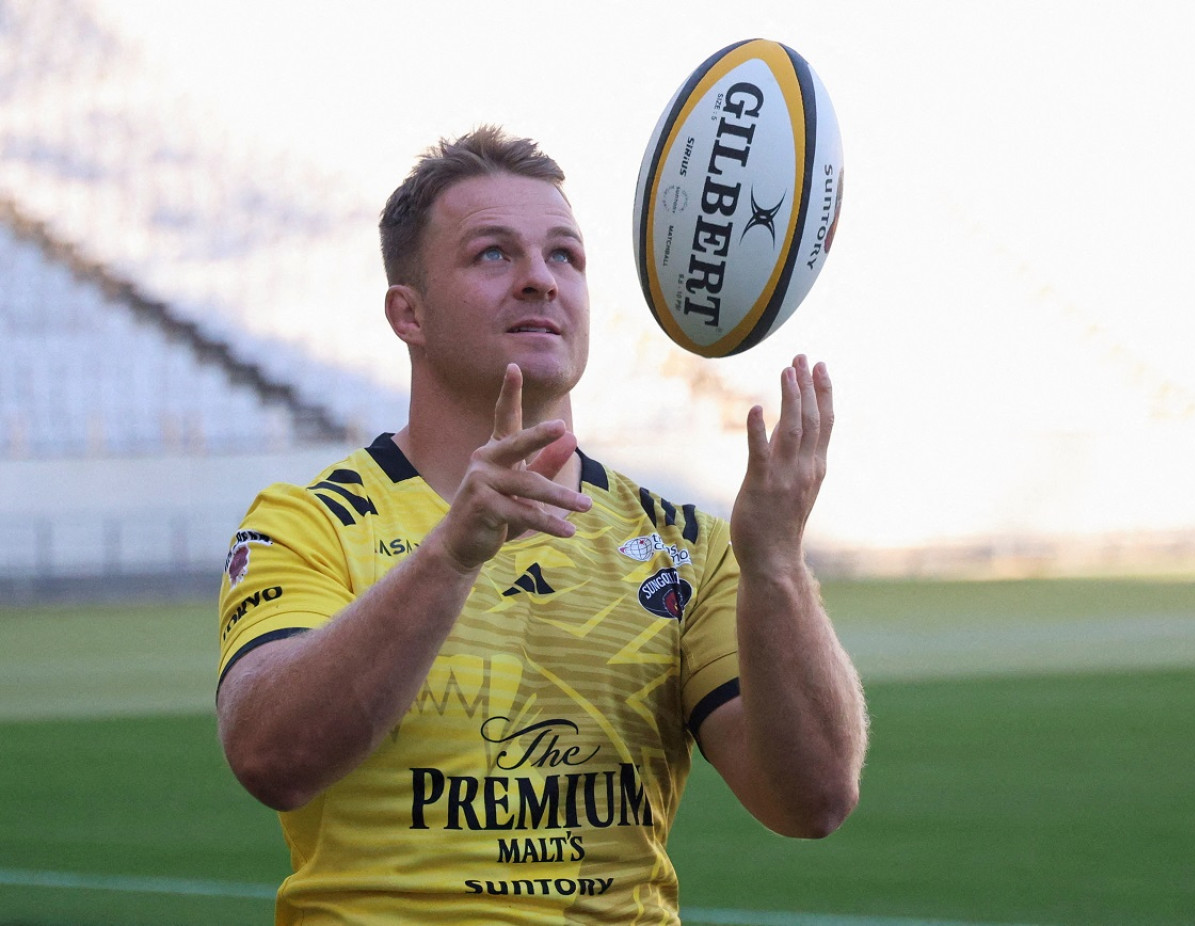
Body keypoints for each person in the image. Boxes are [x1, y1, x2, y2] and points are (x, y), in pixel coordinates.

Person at [216, 125, 868, 925]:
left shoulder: (685, 548)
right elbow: (270, 758)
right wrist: (452, 556)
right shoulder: (310, 522)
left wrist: (776, 569)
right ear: (407, 313)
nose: (540, 281)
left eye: (566, 256)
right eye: (494, 254)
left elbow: (812, 801)